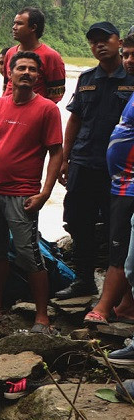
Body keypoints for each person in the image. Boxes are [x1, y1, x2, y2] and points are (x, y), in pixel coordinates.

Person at [0, 51, 64, 333]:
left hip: (23, 194)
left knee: (29, 253)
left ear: (38, 77)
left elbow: (56, 153)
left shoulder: (47, 109)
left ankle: (42, 317)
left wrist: (45, 192)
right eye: (21, 68)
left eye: (33, 70)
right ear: (10, 73)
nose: (26, 73)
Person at [61, 23, 134, 306]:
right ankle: (83, 279)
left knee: (117, 228)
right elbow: (75, 119)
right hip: (84, 160)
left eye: (105, 40)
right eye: (93, 42)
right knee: (78, 220)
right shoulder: (86, 78)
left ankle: (120, 294)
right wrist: (66, 158)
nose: (99, 46)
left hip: (118, 173)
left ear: (118, 42)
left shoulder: (130, 78)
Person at [103, 34, 134, 359]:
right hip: (122, 184)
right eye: (126, 55)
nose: (128, 61)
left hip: (130, 187)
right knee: (130, 262)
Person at [1, 7, 66, 104]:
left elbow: (55, 96)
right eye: (14, 23)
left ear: (33, 28)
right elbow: (7, 85)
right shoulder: (10, 52)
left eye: (19, 24)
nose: (14, 27)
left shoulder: (51, 56)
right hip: (7, 110)